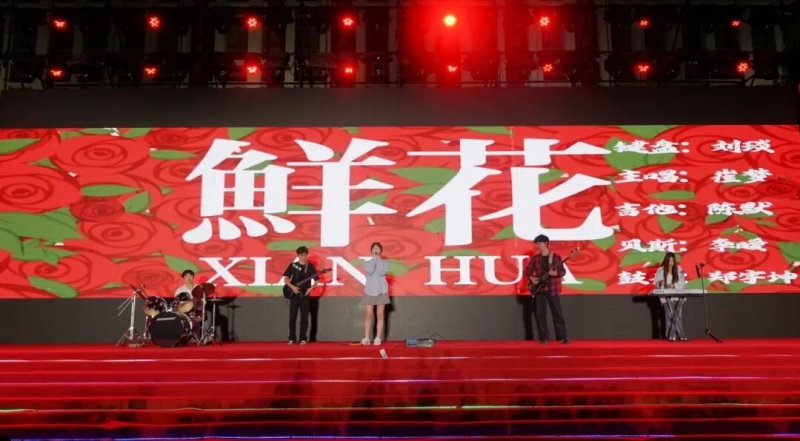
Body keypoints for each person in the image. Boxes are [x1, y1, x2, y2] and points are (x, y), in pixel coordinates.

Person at [525, 234, 569, 344]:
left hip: (552, 288)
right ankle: (544, 337)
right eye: (537, 244)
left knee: (557, 313)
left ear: (546, 243)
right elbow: (528, 270)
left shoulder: (556, 257)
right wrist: (532, 278)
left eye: (540, 243)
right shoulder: (535, 259)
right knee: (540, 314)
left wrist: (556, 273)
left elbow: (562, 271)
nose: (538, 246)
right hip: (540, 290)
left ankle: (562, 337)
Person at [283, 246, 318, 345]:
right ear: (298, 255)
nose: (303, 257)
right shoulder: (293, 265)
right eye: (301, 255)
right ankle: (291, 338)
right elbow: (286, 279)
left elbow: (317, 280)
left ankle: (303, 338)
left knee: (304, 317)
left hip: (305, 294)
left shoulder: (310, 266)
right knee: (292, 317)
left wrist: (311, 288)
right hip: (294, 295)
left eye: (305, 255)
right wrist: (292, 287)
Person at [361, 242, 390, 346]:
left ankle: (378, 337)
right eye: (374, 248)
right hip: (369, 291)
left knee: (380, 314)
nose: (376, 249)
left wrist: (378, 259)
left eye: (378, 248)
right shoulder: (367, 263)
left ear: (381, 251)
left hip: (382, 291)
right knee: (368, 315)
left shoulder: (385, 263)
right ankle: (366, 337)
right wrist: (375, 259)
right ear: (371, 251)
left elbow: (381, 272)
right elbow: (370, 271)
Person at [654, 252, 688, 342]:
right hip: (666, 297)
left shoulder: (679, 269)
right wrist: (660, 283)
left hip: (678, 296)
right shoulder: (660, 270)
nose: (671, 263)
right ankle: (670, 335)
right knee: (669, 316)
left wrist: (674, 285)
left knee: (678, 316)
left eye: (672, 261)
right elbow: (656, 283)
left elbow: (682, 282)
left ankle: (680, 335)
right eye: (669, 261)